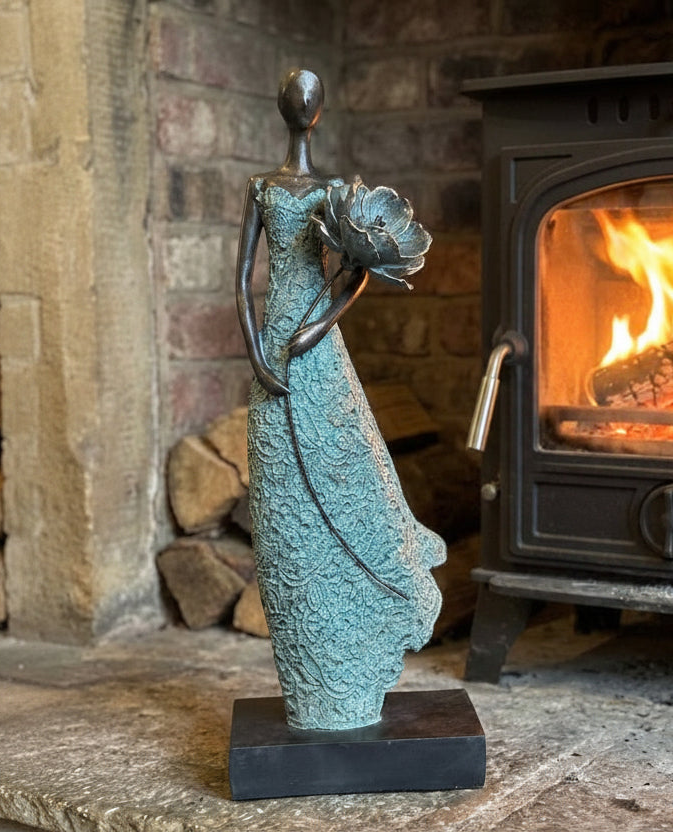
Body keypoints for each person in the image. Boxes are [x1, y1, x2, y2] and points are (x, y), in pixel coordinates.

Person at [234, 68, 444, 731]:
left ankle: (357, 655)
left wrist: (317, 328)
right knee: (282, 511)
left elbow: (355, 276)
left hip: (317, 348)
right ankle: (308, 681)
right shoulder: (262, 187)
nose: (301, 107)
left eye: (309, 99)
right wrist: (259, 353)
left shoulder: (336, 191)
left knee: (347, 483)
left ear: (318, 113)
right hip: (275, 349)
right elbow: (242, 279)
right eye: (293, 97)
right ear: (285, 108)